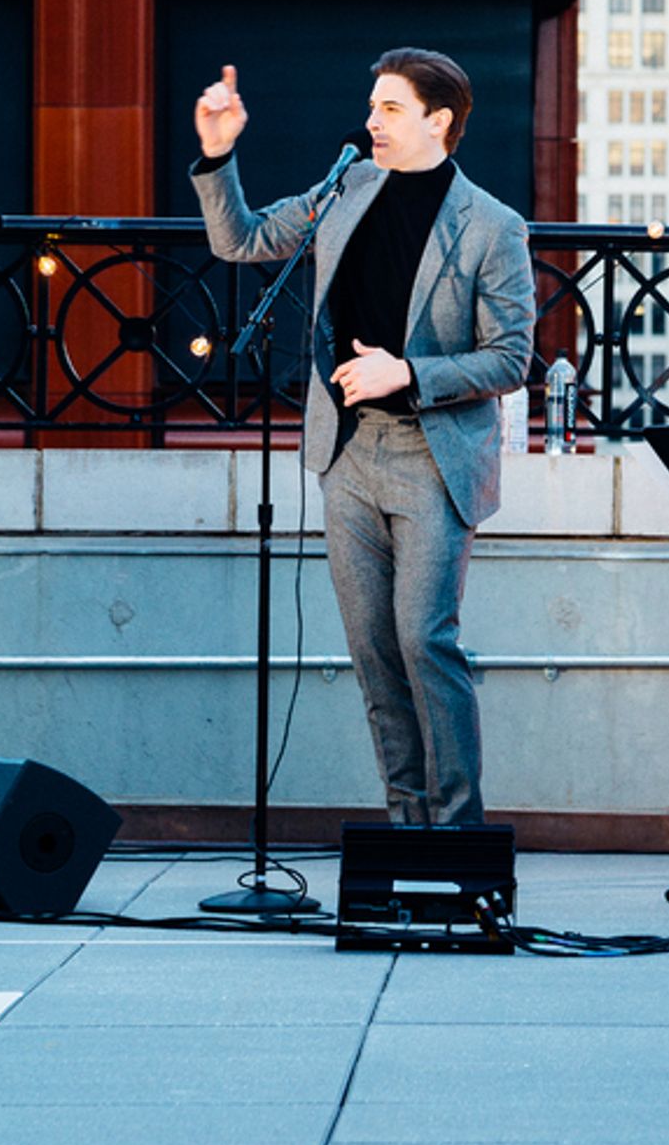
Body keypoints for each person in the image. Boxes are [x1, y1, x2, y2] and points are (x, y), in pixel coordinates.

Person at [192, 49, 535, 827]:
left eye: (389, 109)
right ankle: (405, 833)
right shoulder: (346, 187)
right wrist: (218, 155)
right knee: (375, 658)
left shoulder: (491, 226)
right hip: (345, 455)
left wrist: (407, 373)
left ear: (438, 122)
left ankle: (456, 838)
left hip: (432, 458)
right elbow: (243, 242)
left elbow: (513, 356)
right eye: (373, 106)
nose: (370, 121)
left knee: (424, 643)